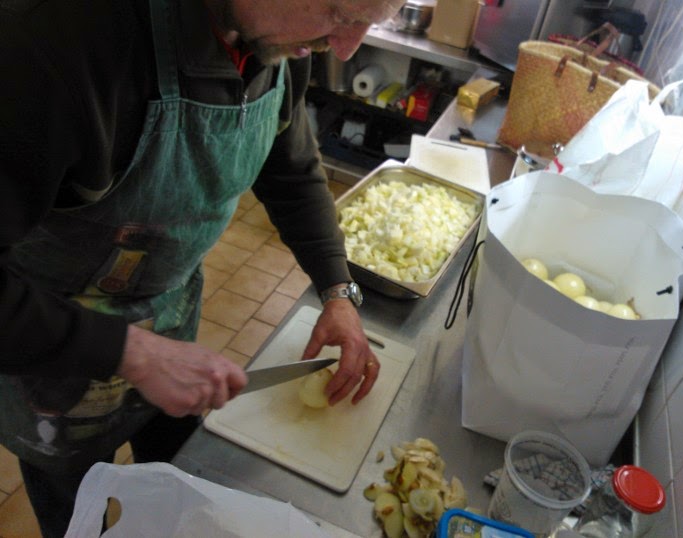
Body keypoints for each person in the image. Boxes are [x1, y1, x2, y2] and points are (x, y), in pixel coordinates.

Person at [0, 0, 404, 535]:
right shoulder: (52, 45)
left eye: (370, 23)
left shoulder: (279, 42)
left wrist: (338, 288)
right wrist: (132, 351)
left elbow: (290, 168)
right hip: (47, 343)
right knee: (77, 506)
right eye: (339, 13)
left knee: (181, 481)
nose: (348, 49)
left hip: (169, 319)